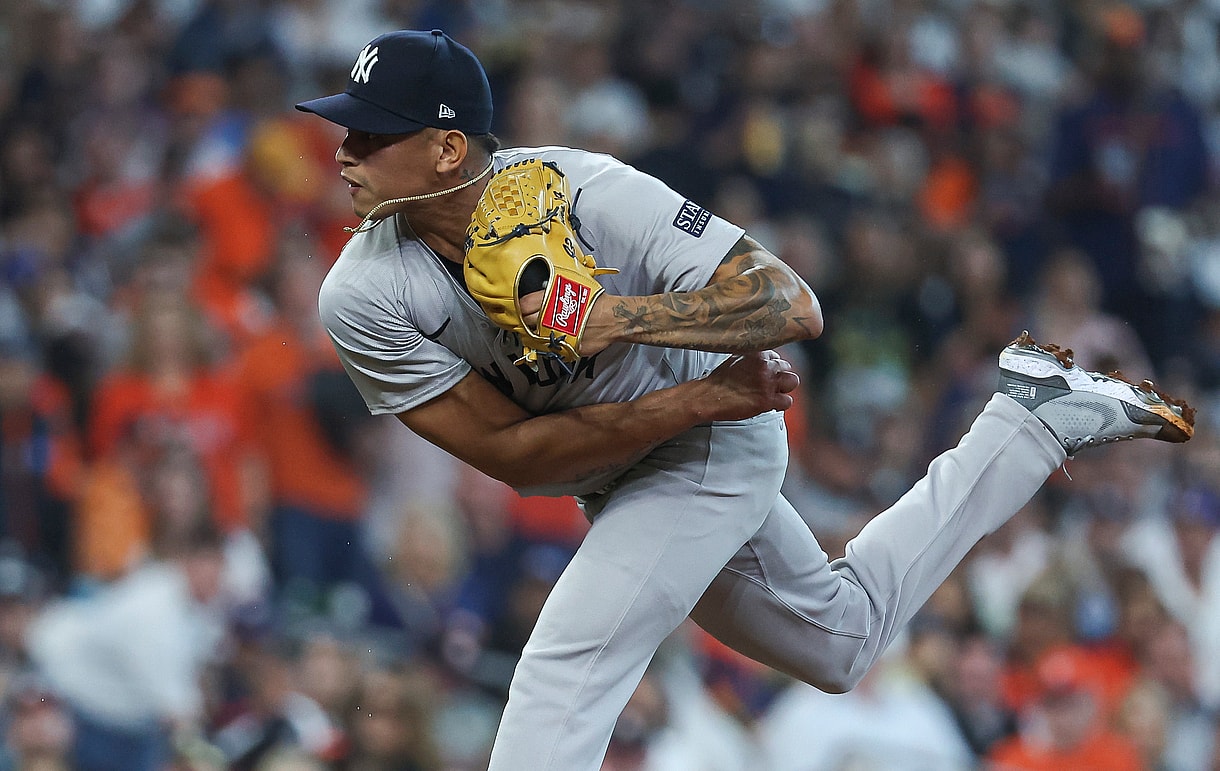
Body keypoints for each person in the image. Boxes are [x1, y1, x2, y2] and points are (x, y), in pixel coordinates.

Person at [294, 29, 1195, 771]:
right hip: (650, 441)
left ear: (448, 147)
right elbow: (516, 457)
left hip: (713, 438)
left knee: (562, 674)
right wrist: (680, 403)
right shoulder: (364, 294)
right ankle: (1029, 424)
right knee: (840, 642)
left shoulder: (590, 194)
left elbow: (792, 302)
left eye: (369, 134)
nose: (344, 151)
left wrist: (618, 318)